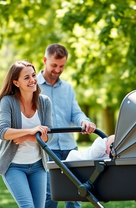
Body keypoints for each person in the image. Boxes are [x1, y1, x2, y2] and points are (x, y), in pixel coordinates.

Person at [37, 43, 97, 208]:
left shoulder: (68, 88)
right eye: (54, 65)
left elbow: (75, 113)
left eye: (62, 66)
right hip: (46, 148)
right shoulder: (33, 87)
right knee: (50, 195)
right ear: (44, 60)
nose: (57, 70)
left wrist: (84, 121)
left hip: (70, 148)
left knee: (75, 193)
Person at [0, 60, 53, 208]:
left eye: (33, 75)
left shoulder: (45, 102)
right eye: (26, 77)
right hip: (13, 166)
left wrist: (27, 137)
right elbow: (3, 132)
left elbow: (49, 136)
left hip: (38, 165)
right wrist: (31, 130)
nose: (32, 79)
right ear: (16, 82)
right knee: (27, 206)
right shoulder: (7, 101)